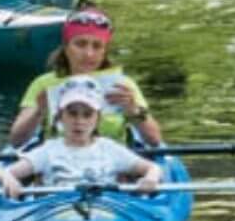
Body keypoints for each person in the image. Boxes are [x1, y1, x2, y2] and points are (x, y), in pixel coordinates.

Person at [8, 8, 163, 148]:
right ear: (66, 47)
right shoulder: (44, 84)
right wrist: (38, 112)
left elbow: (154, 140)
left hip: (114, 166)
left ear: (104, 51)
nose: (89, 54)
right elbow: (16, 140)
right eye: (81, 44)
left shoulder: (122, 85)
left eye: (97, 46)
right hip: (58, 164)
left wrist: (133, 110)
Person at [0, 77, 164, 200]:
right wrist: (8, 179)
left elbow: (153, 168)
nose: (79, 121)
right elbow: (5, 172)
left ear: (97, 119)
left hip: (107, 212)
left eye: (87, 114)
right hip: (56, 215)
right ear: (60, 117)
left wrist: (151, 178)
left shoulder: (111, 149)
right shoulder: (48, 151)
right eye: (72, 113)